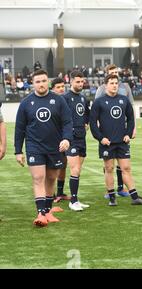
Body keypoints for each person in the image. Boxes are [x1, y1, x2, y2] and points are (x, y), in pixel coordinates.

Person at [14, 69, 73, 227]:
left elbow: (67, 122)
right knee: (38, 178)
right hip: (34, 146)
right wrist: (18, 151)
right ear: (33, 84)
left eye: (43, 81)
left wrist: (67, 139)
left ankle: (47, 211)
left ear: (48, 82)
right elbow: (19, 128)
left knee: (51, 178)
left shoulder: (59, 100)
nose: (41, 84)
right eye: (37, 81)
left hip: (55, 147)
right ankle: (40, 213)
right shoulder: (26, 103)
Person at [90, 74, 142, 206]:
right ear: (106, 85)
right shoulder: (98, 102)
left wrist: (128, 133)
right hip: (107, 142)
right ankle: (112, 198)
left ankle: (135, 197)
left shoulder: (124, 100)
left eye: (116, 83)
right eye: (111, 83)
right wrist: (100, 138)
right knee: (109, 168)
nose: (114, 85)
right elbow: (93, 123)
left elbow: (130, 118)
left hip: (122, 142)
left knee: (126, 168)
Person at [95, 64, 134, 198]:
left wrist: (131, 129)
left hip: (123, 130)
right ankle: (109, 190)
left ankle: (121, 187)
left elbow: (131, 109)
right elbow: (98, 110)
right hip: (108, 131)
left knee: (122, 162)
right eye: (112, 72)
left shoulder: (126, 87)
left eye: (116, 72)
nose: (115, 74)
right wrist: (101, 132)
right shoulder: (101, 89)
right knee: (109, 164)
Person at [62, 71, 91, 211]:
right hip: (71, 138)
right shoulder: (65, 98)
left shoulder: (83, 99)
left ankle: (75, 199)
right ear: (71, 82)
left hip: (81, 138)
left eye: (82, 82)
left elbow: (86, 114)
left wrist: (86, 123)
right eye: (77, 82)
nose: (80, 84)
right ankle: (73, 201)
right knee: (75, 169)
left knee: (78, 171)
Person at [51, 78, 70, 202]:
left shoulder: (66, 100)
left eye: (63, 86)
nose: (61, 89)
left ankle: (60, 193)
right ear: (52, 88)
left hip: (63, 138)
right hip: (51, 139)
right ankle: (50, 194)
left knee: (63, 165)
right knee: (51, 167)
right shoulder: (49, 101)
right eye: (58, 87)